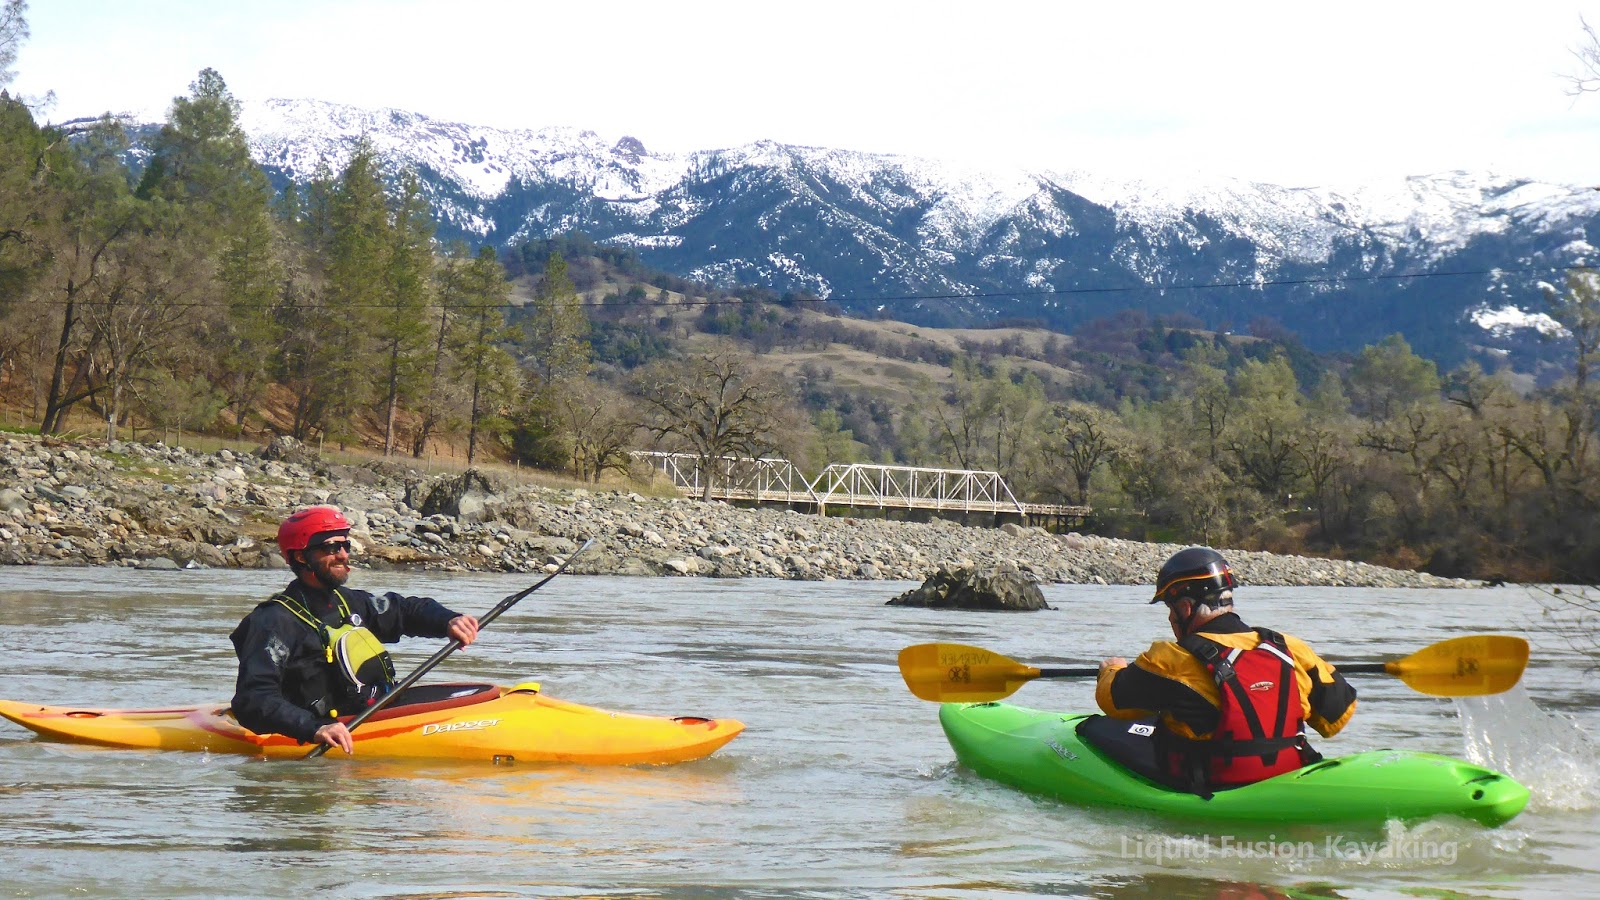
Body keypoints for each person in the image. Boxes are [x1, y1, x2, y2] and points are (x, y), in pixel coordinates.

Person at [1095, 546, 1357, 796]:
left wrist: (1111, 670)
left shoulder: (1171, 660)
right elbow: (1338, 717)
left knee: (1108, 730)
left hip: (1213, 788)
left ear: (1186, 608)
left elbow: (1114, 703)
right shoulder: (1289, 648)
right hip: (1287, 780)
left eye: (1170, 609)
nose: (1170, 618)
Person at [230, 506, 480, 754]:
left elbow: (404, 610)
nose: (343, 555)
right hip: (323, 731)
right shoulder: (272, 622)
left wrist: (448, 621)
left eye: (345, 546)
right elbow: (253, 699)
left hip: (375, 714)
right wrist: (313, 728)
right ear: (301, 557)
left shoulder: (347, 602)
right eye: (331, 547)